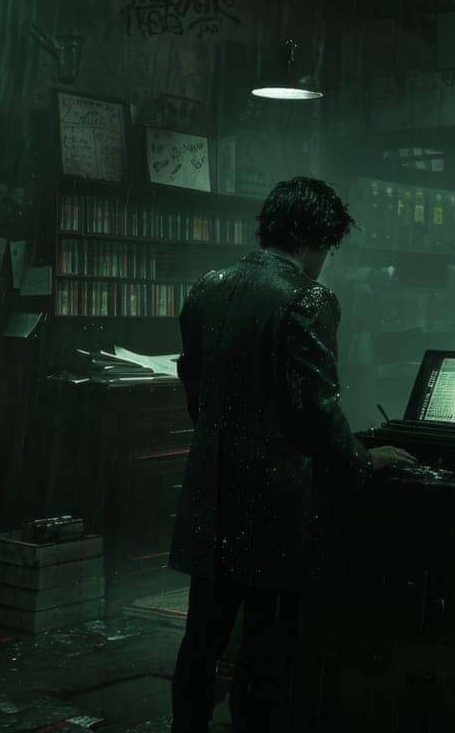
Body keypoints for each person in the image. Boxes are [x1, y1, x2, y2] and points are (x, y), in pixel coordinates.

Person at [169, 176, 417, 733]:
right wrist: (362, 461)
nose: (325, 262)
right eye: (327, 249)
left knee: (201, 642)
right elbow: (315, 409)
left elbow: (197, 392)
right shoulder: (308, 297)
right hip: (273, 505)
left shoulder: (207, 286)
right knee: (266, 646)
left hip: (211, 494)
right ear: (315, 239)